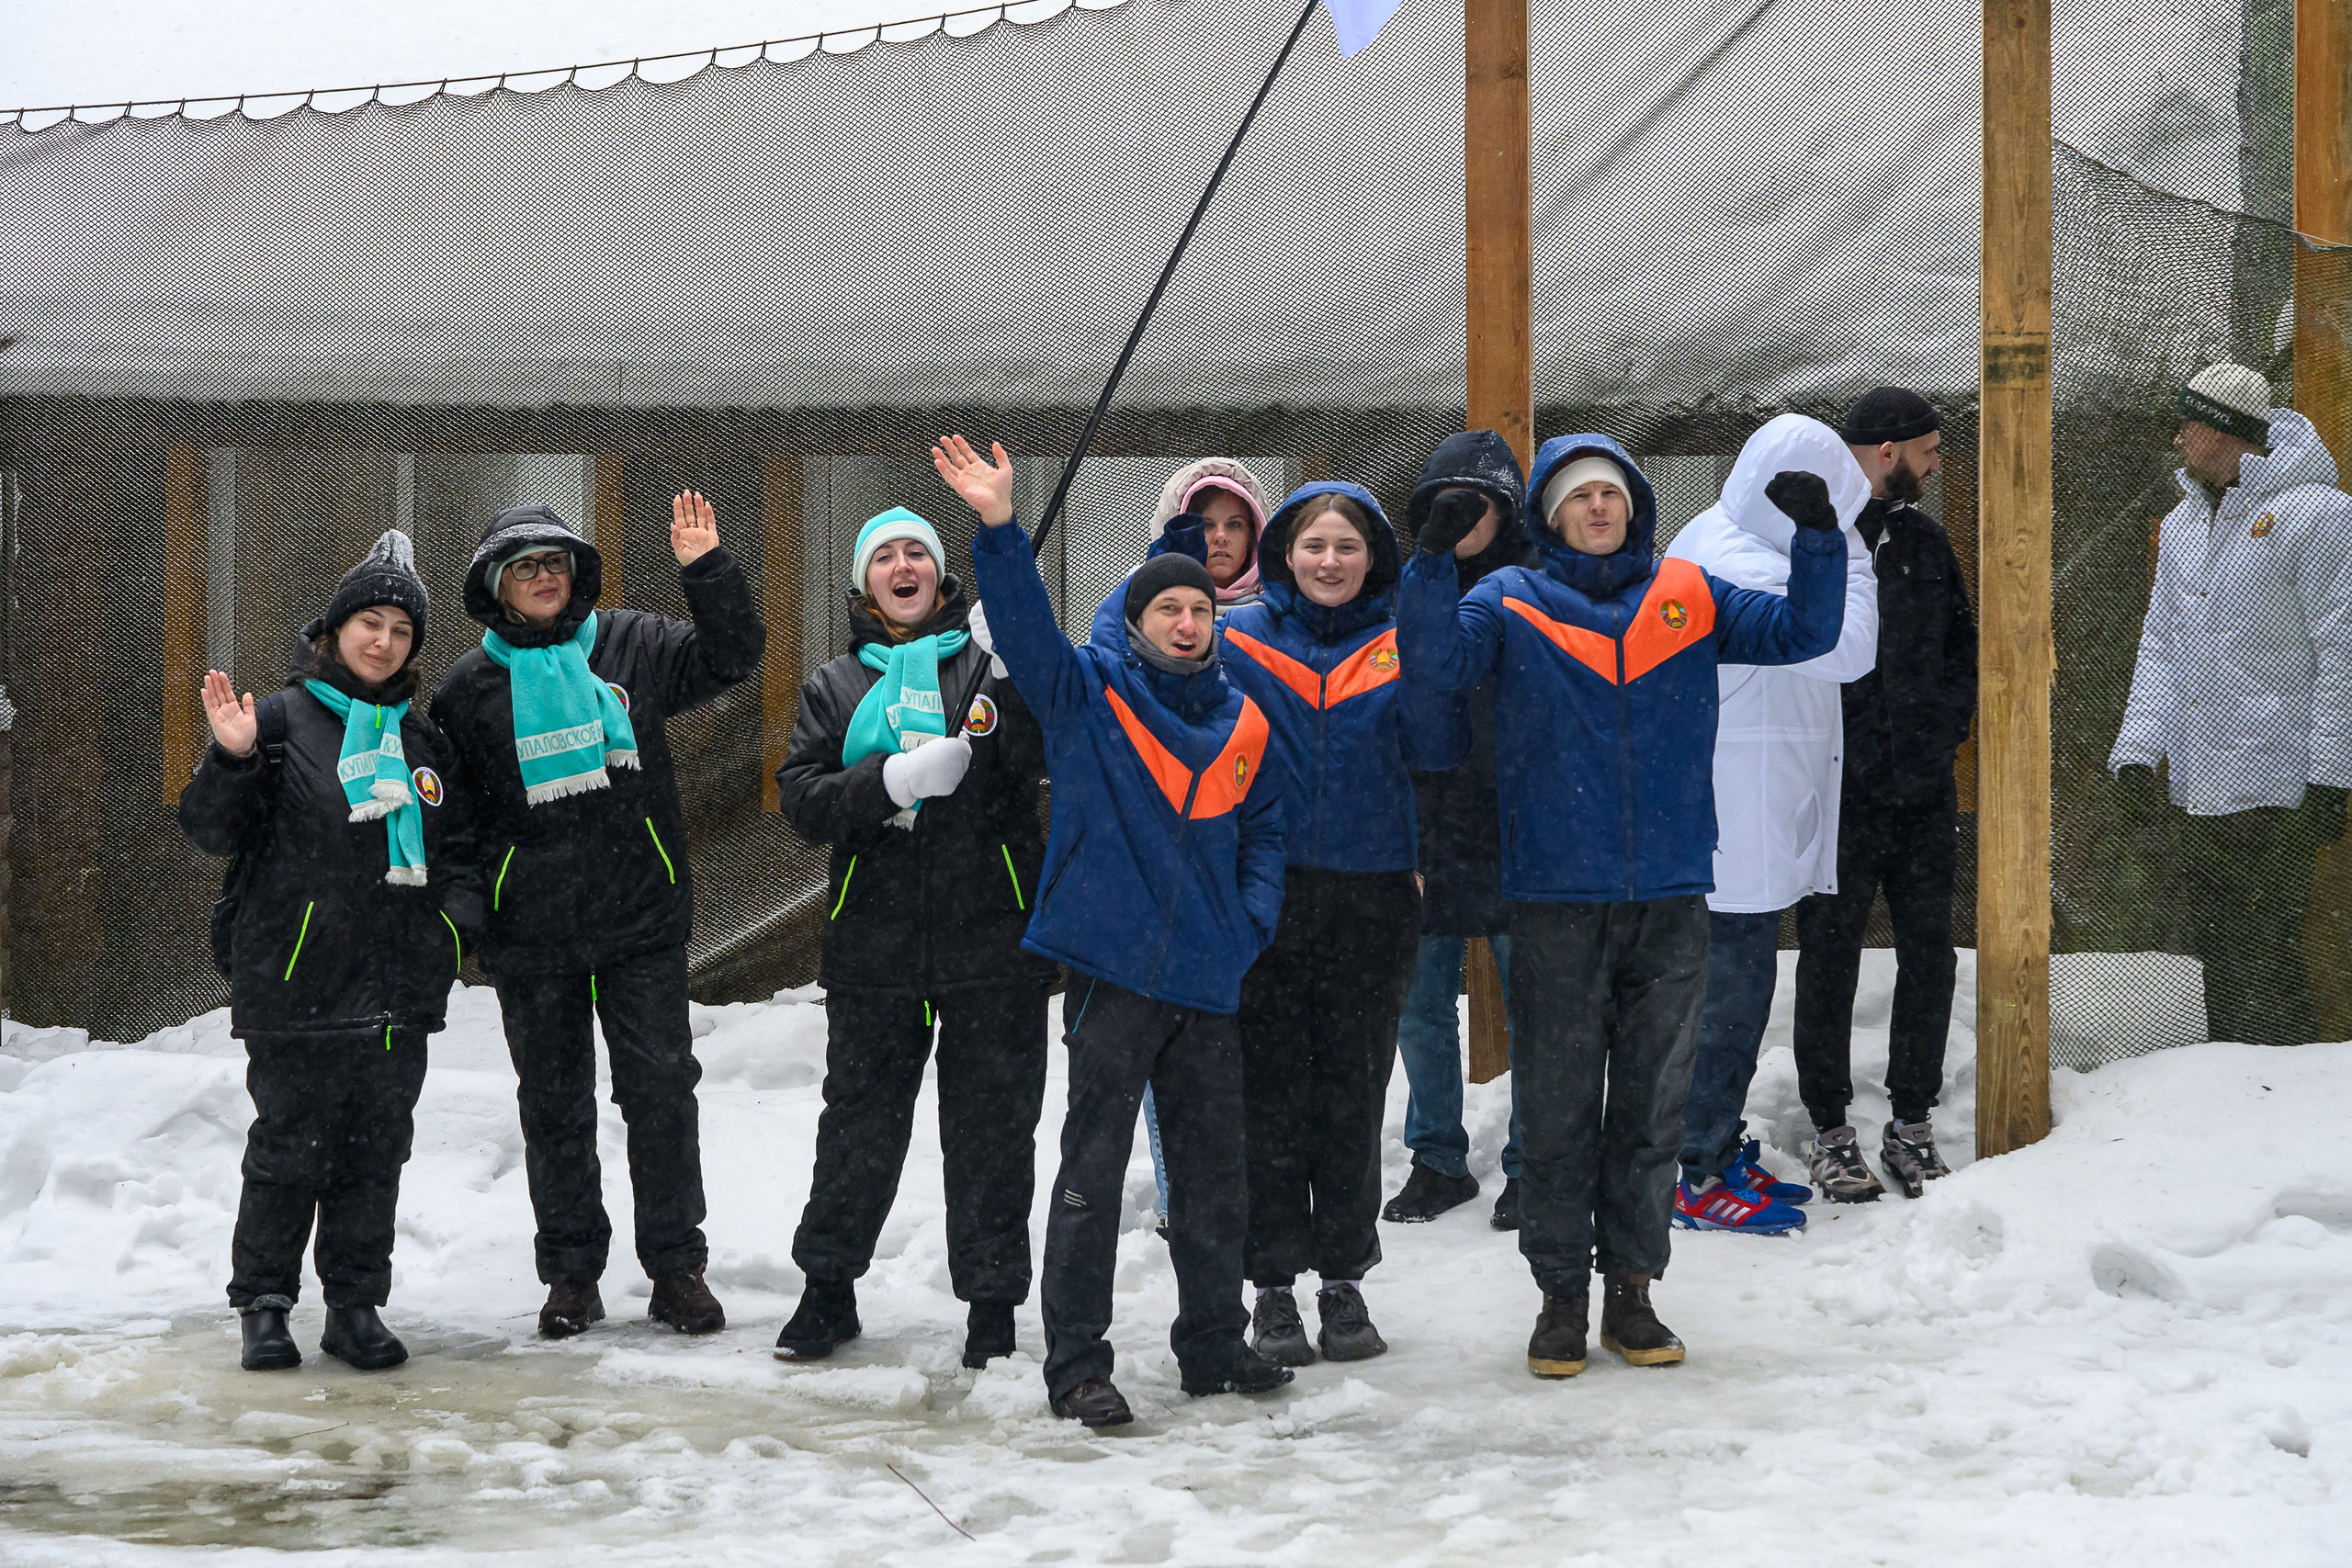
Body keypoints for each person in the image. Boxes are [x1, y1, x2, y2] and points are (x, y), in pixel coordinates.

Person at [1398, 433, 1847, 1379]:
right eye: (1576, 495)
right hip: (1556, 896)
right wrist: (1431, 562)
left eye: (1610, 492)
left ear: (1634, 506)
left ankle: (1632, 1291)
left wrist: (1818, 540)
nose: (1596, 506)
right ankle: (1561, 1297)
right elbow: (1434, 666)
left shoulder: (1687, 593)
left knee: (1651, 1106)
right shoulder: (1510, 599)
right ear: (1548, 514)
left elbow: (1803, 635)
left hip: (1672, 893)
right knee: (1558, 1108)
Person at [939, 434, 1295, 1429]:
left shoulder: (1245, 722)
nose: (1186, 623)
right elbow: (1023, 629)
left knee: (1214, 1177)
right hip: (1111, 973)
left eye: (1199, 610)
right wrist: (1000, 528)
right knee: (1090, 1173)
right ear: (1134, 621)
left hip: (1209, 978)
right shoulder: (1087, 696)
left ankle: (1213, 1345)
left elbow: (1267, 830)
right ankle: (1077, 1366)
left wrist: (1248, 924)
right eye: (1166, 609)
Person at [430, 494, 765, 1339]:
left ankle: (677, 1269)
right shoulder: (466, 690)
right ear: (496, 585)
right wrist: (470, 917)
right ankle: (572, 1275)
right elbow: (456, 824)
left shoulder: (632, 644)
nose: (545, 577)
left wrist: (708, 571)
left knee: (660, 1093)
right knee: (555, 1106)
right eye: (525, 566)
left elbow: (732, 656)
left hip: (641, 919)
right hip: (530, 934)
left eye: (557, 562)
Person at [178, 531, 478, 1372]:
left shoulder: (422, 742)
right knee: (288, 1149)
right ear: (336, 628)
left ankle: (355, 1306)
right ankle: (264, 1306)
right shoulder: (277, 721)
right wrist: (232, 758)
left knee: (375, 1154)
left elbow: (461, 854)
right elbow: (209, 829)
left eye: (401, 630)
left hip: (396, 992)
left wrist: (448, 934)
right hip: (294, 983)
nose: (383, 641)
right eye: (369, 623)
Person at [771, 506, 1053, 1368]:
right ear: (864, 583)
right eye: (885, 556)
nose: (903, 567)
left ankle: (992, 1303)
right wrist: (888, 780)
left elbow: (1046, 766)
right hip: (874, 947)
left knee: (993, 1128)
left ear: (939, 573)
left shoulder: (989, 667)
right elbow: (802, 803)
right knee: (859, 1124)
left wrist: (1022, 673)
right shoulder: (833, 686)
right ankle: (828, 1287)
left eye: (916, 554)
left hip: (992, 943)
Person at [1221, 481, 1436, 1366]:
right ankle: (1271, 1286)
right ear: (1284, 553)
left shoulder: (1404, 643)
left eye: (1348, 545)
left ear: (1373, 557)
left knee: (1354, 1089)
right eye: (1314, 544)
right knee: (1267, 1092)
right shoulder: (1237, 638)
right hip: (1268, 893)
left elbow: (1438, 746)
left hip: (1374, 895)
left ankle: (1344, 1279)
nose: (1330, 560)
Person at [1666, 415, 1878, 1233]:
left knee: (1736, 997)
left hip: (1763, 806)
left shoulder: (1786, 542)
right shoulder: (1720, 552)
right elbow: (1836, 645)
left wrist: (1825, 549)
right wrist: (1827, 555)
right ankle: (1694, 1169)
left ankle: (1709, 1147)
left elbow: (1846, 643)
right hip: (1732, 817)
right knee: (1726, 1003)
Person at [2109, 364, 2352, 1047]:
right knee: (2220, 959)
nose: (2178, 439)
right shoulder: (2183, 524)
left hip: (2279, 789)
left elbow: (2342, 652)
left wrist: (2331, 777)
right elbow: (2162, 645)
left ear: (2223, 431)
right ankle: (2228, 1094)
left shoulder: (2321, 516)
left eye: (2188, 425)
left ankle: (2288, 1094)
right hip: (2201, 788)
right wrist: (2137, 753)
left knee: (2271, 955)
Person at [1793, 388, 1977, 1201]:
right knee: (1828, 955)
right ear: (1888, 451)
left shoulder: (1926, 541)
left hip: (1922, 791)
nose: (1935, 465)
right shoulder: (1818, 538)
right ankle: (1829, 1128)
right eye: (1928, 452)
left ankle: (1911, 1122)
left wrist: (1939, 733)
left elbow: (1961, 648)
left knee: (1929, 952)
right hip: (1838, 792)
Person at [1381, 430, 1532, 1232]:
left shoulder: (1538, 588)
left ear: (1509, 509)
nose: (1462, 518)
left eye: (1476, 505)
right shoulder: (1402, 590)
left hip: (1520, 825)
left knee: (1534, 1005)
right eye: (1444, 507)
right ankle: (1437, 1158)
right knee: (1419, 1004)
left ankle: (1533, 1163)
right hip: (1424, 826)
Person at [1148, 458, 1276, 607]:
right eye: (1206, 525)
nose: (1221, 536)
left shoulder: (1281, 609)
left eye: (1234, 524)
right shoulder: (1140, 602)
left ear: (1253, 535)